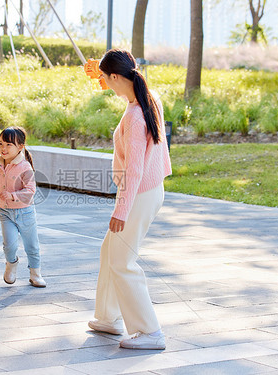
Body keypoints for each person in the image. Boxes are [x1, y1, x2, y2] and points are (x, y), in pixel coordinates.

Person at [87, 49, 172, 349]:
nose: (105, 85)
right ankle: (108, 318)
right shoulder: (146, 97)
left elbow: (134, 169)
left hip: (138, 195)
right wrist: (98, 73)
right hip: (146, 191)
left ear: (115, 77)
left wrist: (121, 210)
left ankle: (150, 332)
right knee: (109, 251)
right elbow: (113, 79)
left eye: (105, 79)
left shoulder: (136, 116)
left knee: (122, 261)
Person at [0, 126, 46, 288]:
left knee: (31, 244)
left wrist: (12, 196)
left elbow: (30, 191)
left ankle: (35, 273)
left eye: (8, 145)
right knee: (9, 244)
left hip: (25, 212)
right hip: (5, 212)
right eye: (0, 144)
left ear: (20, 147)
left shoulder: (25, 167)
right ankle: (11, 264)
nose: (3, 148)